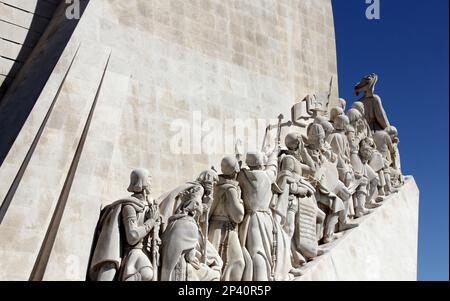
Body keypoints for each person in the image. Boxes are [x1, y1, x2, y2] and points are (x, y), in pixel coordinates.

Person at [88, 168, 160, 281]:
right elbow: (132, 236)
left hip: (145, 251)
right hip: (132, 250)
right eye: (149, 180)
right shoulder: (129, 206)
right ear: (142, 182)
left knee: (149, 274)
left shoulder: (149, 207)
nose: (151, 184)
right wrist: (151, 221)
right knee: (147, 272)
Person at [237, 150, 292, 281]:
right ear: (261, 163)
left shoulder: (243, 175)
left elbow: (236, 170)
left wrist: (239, 157)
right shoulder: (268, 175)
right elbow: (272, 165)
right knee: (272, 247)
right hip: (265, 217)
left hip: (251, 218)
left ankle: (261, 278)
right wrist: (274, 152)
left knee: (256, 250)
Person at [160, 186, 223, 281]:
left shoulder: (174, 222)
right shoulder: (190, 225)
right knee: (214, 275)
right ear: (194, 211)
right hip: (182, 270)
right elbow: (190, 257)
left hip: (169, 270)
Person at [208, 157, 247, 281]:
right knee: (237, 262)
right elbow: (238, 216)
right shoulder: (230, 189)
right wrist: (241, 202)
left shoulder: (215, 185)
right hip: (226, 228)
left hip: (213, 228)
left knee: (216, 262)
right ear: (235, 171)